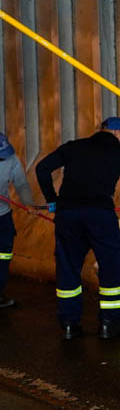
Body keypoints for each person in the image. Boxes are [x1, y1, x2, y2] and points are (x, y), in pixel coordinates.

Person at [36, 117, 120, 339]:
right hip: (100, 215)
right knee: (110, 267)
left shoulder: (73, 147)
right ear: (117, 133)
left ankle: (69, 325)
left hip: (68, 214)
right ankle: (109, 324)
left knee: (68, 267)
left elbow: (42, 168)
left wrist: (52, 200)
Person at [0, 132, 37, 309]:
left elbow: (21, 183)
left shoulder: (12, 160)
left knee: (4, 254)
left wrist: (28, 203)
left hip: (3, 216)